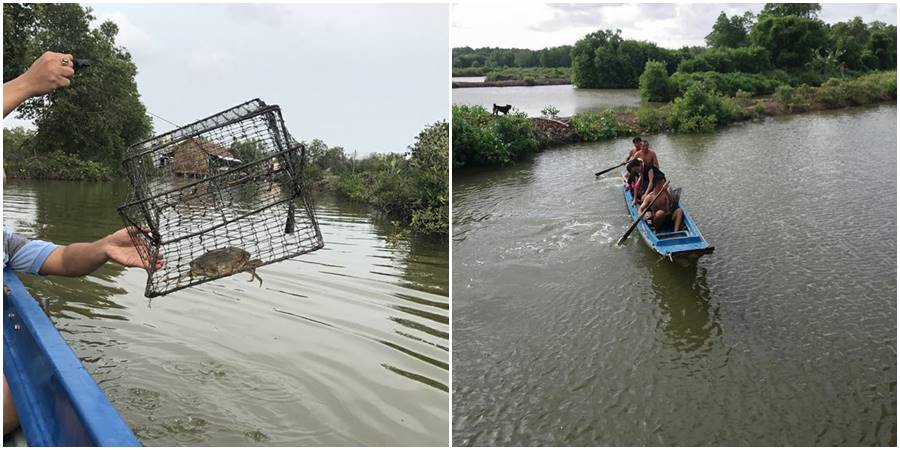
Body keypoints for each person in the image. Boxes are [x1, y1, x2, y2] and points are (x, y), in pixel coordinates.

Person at [3, 51, 161, 436]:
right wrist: (25, 84)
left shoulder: (5, 242)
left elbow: (61, 258)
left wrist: (104, 247)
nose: (5, 177)